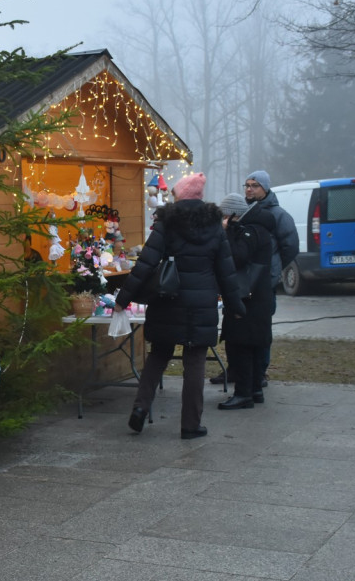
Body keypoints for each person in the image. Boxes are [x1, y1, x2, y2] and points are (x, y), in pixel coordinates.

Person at [114, 173, 246, 440]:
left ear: (180, 196)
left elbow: (145, 264)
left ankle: (140, 409)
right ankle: (190, 425)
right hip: (201, 304)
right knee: (195, 361)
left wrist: (122, 299)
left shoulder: (166, 224)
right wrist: (236, 306)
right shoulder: (214, 227)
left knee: (158, 356)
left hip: (167, 300)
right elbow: (226, 271)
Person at [209, 169, 299, 386]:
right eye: (247, 185)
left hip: (263, 283)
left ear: (265, 188)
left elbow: (290, 246)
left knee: (260, 329)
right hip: (241, 282)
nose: (249, 189)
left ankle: (260, 373)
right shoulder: (242, 213)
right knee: (238, 330)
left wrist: (273, 269)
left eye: (254, 185)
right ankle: (236, 369)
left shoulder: (278, 215)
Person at [217, 192, 275, 409]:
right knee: (253, 344)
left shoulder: (250, 231)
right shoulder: (258, 228)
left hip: (247, 298)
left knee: (240, 344)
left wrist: (228, 232)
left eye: (224, 216)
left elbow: (237, 257)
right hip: (257, 297)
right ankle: (255, 390)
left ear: (233, 215)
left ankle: (244, 393)